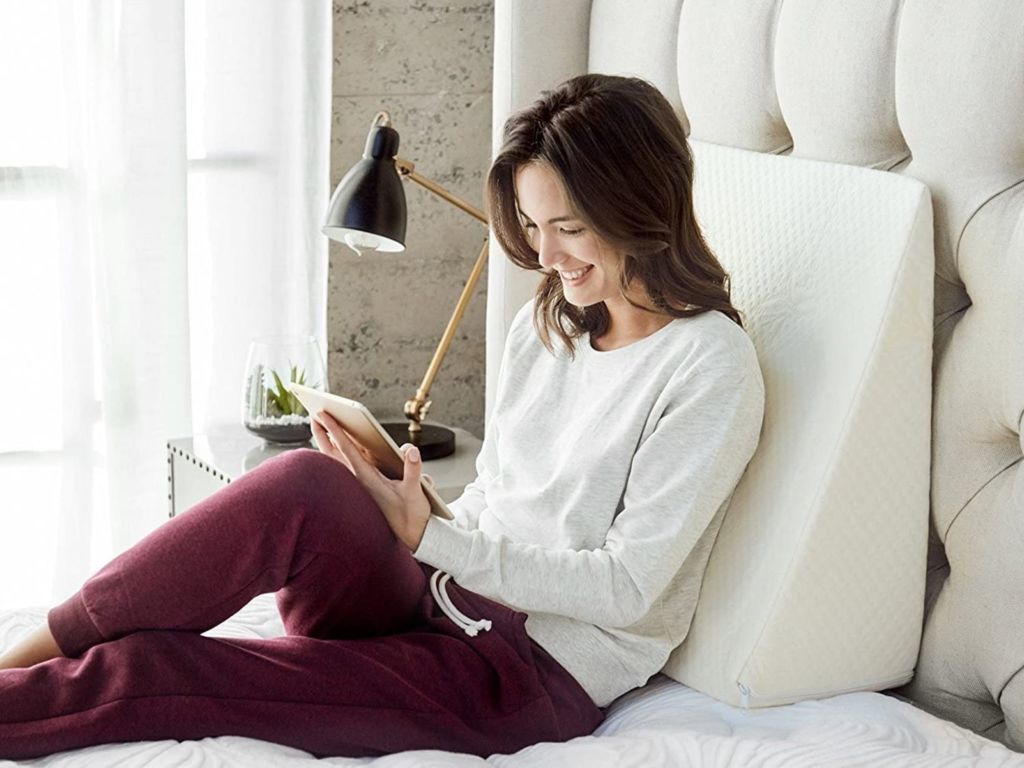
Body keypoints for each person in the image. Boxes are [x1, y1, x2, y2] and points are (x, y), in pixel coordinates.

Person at [0, 74, 764, 759]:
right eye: (534, 228)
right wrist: (411, 508)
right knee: (303, 482)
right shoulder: (550, 327)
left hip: (518, 675)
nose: (548, 255)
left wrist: (432, 538)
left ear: (639, 203)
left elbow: (627, 589)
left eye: (569, 227)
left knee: (159, 669)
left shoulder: (707, 365)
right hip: (433, 594)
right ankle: (32, 646)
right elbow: (500, 503)